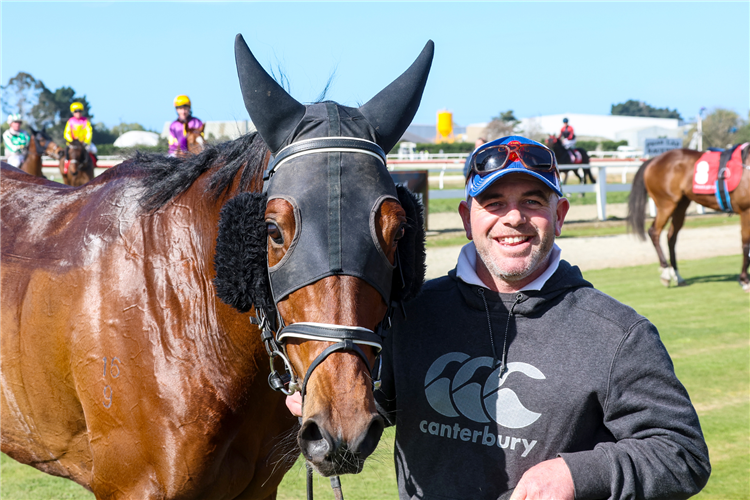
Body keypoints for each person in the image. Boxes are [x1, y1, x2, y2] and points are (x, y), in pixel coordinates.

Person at [289, 135, 711, 500]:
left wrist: (576, 474)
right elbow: (380, 401)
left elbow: (682, 452)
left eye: (532, 201)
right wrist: (324, 395)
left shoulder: (619, 335)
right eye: (494, 202)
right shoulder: (410, 314)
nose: (513, 217)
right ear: (465, 217)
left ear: (559, 216)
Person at [64, 102, 97, 167]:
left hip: (84, 143)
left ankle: (93, 165)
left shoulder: (85, 121)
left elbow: (89, 132)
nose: (78, 113)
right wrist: (71, 141)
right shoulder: (70, 121)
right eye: (76, 111)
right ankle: (66, 166)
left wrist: (86, 141)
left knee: (94, 150)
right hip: (73, 143)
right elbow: (67, 133)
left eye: (80, 111)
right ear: (73, 112)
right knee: (66, 152)